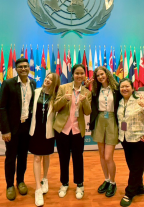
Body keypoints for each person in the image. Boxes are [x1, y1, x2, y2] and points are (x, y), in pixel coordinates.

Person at [0, 58, 36, 201]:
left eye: (26, 66)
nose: (23, 69)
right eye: (20, 67)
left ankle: (20, 181)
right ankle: (9, 185)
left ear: (29, 68)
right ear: (16, 69)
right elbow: (2, 108)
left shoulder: (33, 83)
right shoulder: (8, 84)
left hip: (26, 127)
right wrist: (5, 130)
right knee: (10, 157)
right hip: (12, 129)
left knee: (23, 157)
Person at [53, 64, 92, 200]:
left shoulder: (87, 92)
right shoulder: (64, 88)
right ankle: (64, 183)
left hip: (77, 131)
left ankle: (79, 184)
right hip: (62, 130)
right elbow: (55, 107)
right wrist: (65, 98)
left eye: (82, 73)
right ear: (73, 74)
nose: (79, 76)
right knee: (63, 158)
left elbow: (87, 112)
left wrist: (85, 101)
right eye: (77, 73)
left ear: (84, 75)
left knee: (78, 158)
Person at [117, 78, 144, 207]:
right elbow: (122, 120)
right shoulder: (119, 102)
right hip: (126, 138)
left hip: (141, 138)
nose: (124, 89)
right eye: (122, 86)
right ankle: (139, 187)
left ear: (132, 88)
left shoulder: (139, 100)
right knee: (133, 166)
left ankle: (129, 193)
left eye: (127, 86)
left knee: (136, 167)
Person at [89, 66, 121, 197]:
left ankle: (113, 182)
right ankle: (107, 180)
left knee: (108, 157)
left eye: (102, 74)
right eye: (97, 75)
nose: (100, 77)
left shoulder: (117, 89)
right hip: (100, 120)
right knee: (101, 155)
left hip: (112, 119)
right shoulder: (96, 90)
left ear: (107, 74)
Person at [29, 73, 60, 206]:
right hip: (36, 130)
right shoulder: (35, 92)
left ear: (55, 83)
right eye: (47, 78)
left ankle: (45, 179)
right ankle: (37, 189)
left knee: (46, 156)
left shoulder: (55, 96)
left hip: (48, 131)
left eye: (51, 80)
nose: (47, 80)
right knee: (37, 158)